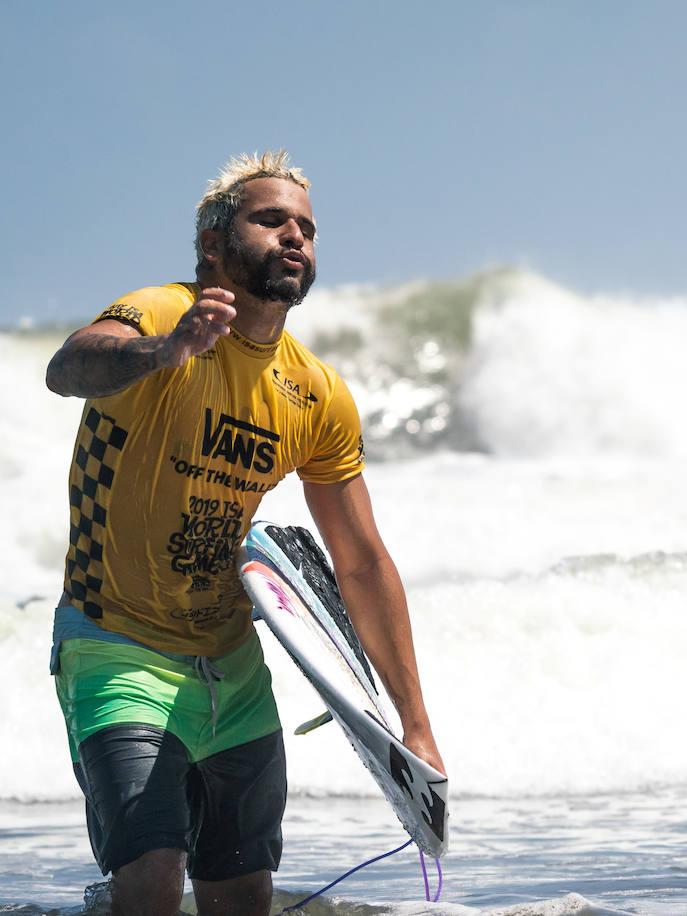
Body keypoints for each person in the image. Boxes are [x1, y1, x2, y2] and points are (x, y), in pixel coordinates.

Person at [45, 151, 446, 915]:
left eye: (308, 227)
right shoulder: (163, 312)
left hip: (232, 661)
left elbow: (359, 562)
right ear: (213, 244)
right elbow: (68, 367)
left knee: (241, 894)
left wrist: (415, 727)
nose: (295, 236)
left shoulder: (317, 393)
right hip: (115, 642)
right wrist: (160, 354)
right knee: (152, 877)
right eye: (271, 220)